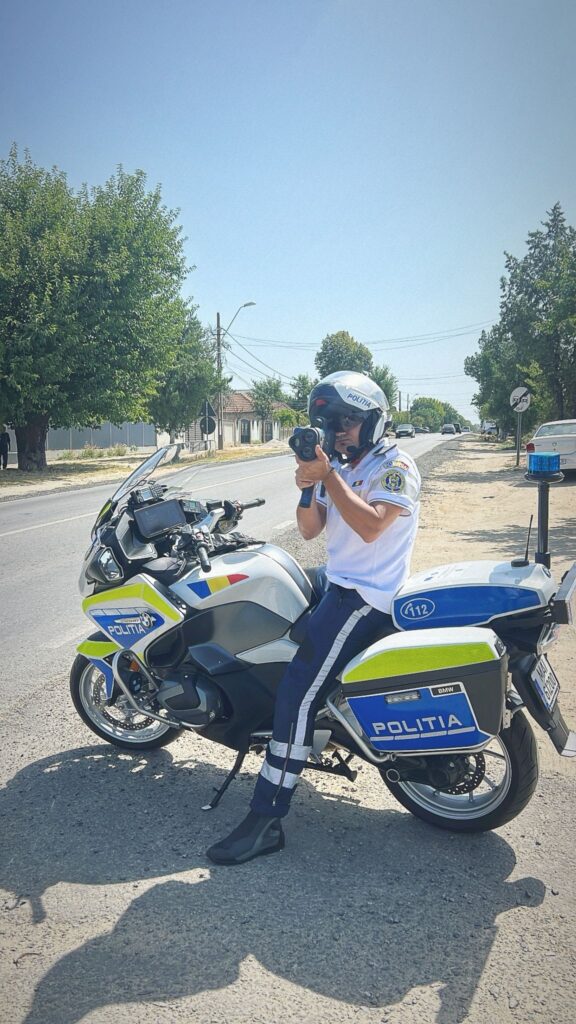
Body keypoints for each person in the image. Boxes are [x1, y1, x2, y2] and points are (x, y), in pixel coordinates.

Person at [207, 371, 421, 865]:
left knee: (297, 692)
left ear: (373, 420)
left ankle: (266, 820)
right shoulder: (340, 466)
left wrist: (326, 477)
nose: (338, 432)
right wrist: (308, 484)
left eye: (347, 422)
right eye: (330, 423)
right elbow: (308, 530)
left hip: (366, 594)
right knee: (270, 593)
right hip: (338, 578)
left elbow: (372, 526)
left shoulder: (395, 465)